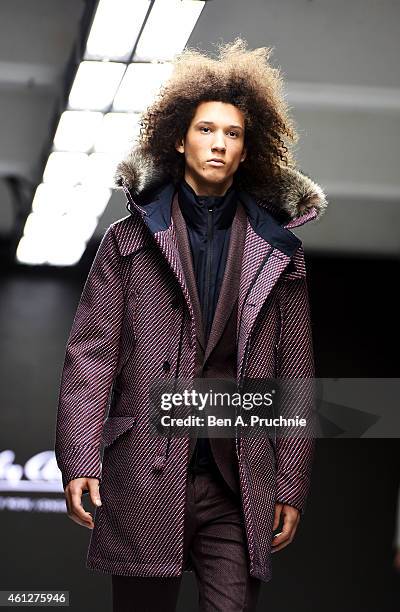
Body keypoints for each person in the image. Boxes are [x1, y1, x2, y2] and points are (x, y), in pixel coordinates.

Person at [55, 38, 327, 611]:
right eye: (207, 130)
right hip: (148, 466)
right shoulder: (127, 243)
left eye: (232, 134)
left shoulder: (280, 252)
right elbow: (92, 356)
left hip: (238, 477)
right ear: (179, 139)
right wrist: (80, 455)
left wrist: (291, 483)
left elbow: (295, 372)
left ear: (247, 151)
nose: (219, 143)